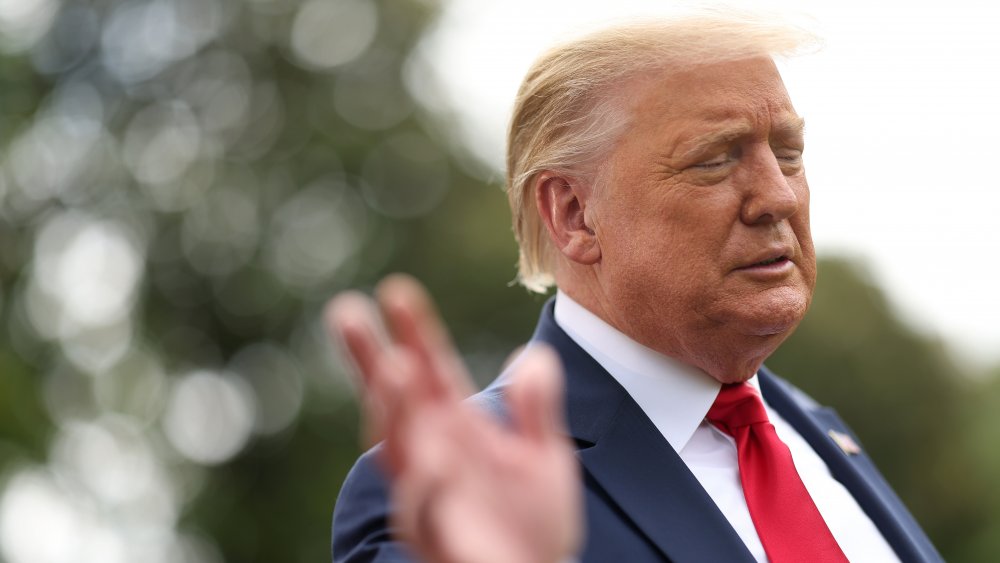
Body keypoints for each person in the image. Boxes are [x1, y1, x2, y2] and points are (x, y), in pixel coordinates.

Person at [326, 15, 944, 563]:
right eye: (715, 158)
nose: (778, 195)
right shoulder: (466, 484)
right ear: (573, 214)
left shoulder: (815, 428)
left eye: (787, 152)